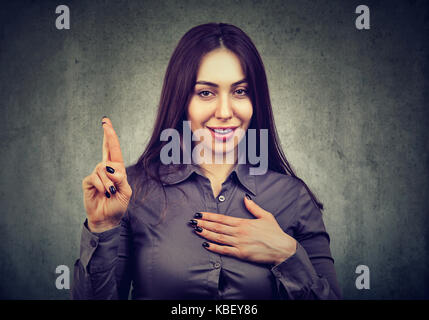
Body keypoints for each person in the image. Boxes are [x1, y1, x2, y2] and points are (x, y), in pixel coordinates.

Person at [71, 22, 342, 300]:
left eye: (240, 91)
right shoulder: (132, 191)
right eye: (205, 93)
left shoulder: (293, 198)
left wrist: (286, 254)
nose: (225, 112)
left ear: (255, 100)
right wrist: (102, 229)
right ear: (181, 100)